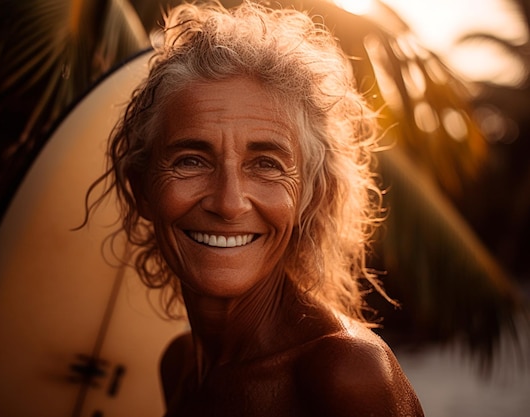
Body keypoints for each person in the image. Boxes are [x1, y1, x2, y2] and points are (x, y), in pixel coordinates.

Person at [86, 1, 424, 415]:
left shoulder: (346, 375)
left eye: (266, 165)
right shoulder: (178, 366)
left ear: (309, 196)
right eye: (191, 160)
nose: (228, 203)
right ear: (141, 189)